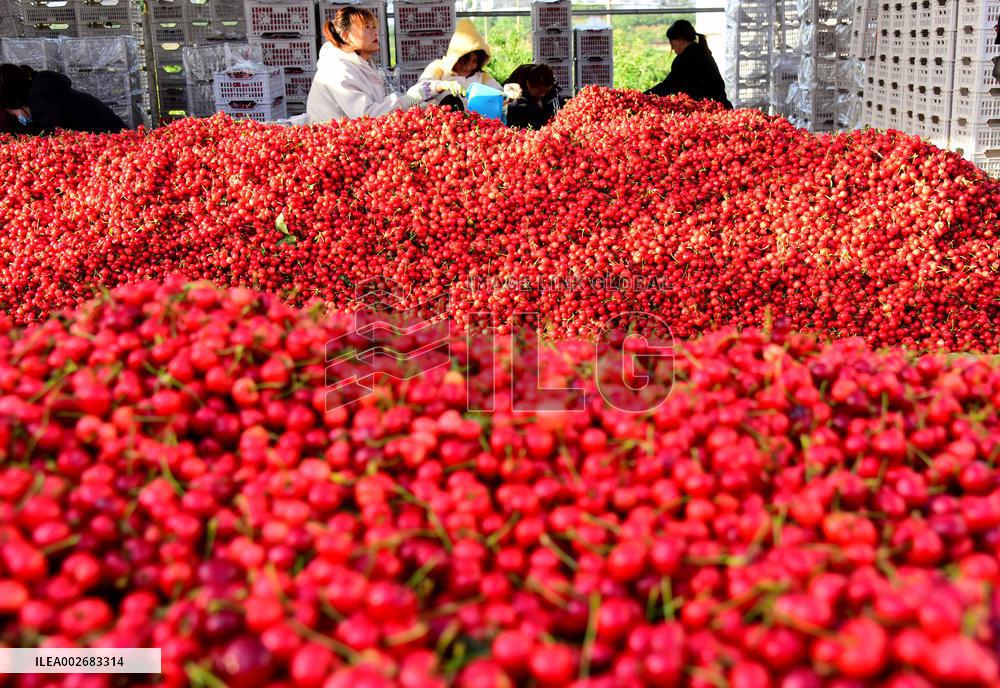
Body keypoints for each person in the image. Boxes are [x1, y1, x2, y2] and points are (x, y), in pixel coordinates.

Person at [307, 6, 459, 123]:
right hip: (334, 145)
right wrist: (408, 99)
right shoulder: (338, 69)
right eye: (367, 28)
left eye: (374, 27)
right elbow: (367, 116)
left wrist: (430, 89)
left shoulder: (361, 64)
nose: (375, 33)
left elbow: (377, 107)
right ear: (347, 37)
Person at [0, 63, 127, 135]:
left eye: (12, 113)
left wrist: (21, 124)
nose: (17, 117)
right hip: (109, 136)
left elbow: (47, 137)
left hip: (115, 139)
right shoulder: (43, 90)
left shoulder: (44, 100)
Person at [419, 18, 507, 110]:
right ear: (455, 58)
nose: (470, 66)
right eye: (465, 61)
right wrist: (441, 86)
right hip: (442, 122)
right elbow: (421, 88)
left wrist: (507, 92)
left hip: (474, 122)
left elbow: (498, 93)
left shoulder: (482, 77)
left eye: (475, 61)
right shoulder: (439, 68)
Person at [645, 20, 733, 110]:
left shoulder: (685, 59)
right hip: (721, 106)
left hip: (711, 109)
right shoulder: (702, 51)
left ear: (680, 40)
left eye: (671, 41)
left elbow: (668, 86)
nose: (671, 46)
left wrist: (645, 96)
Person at [504, 64, 560, 129]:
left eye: (546, 92)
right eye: (540, 92)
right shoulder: (519, 99)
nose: (543, 95)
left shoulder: (553, 92)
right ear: (528, 84)